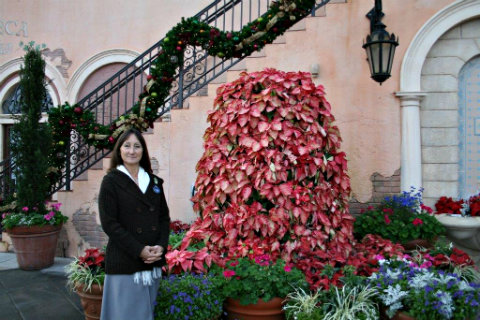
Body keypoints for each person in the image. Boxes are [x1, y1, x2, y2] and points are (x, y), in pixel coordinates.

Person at [98, 128, 170, 320]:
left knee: (146, 314)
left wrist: (161, 247)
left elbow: (164, 218)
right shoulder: (111, 181)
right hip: (125, 261)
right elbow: (109, 223)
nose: (132, 151)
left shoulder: (154, 182)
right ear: (119, 150)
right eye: (127, 146)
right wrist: (139, 250)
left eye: (137, 146)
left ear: (143, 151)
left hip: (151, 261)